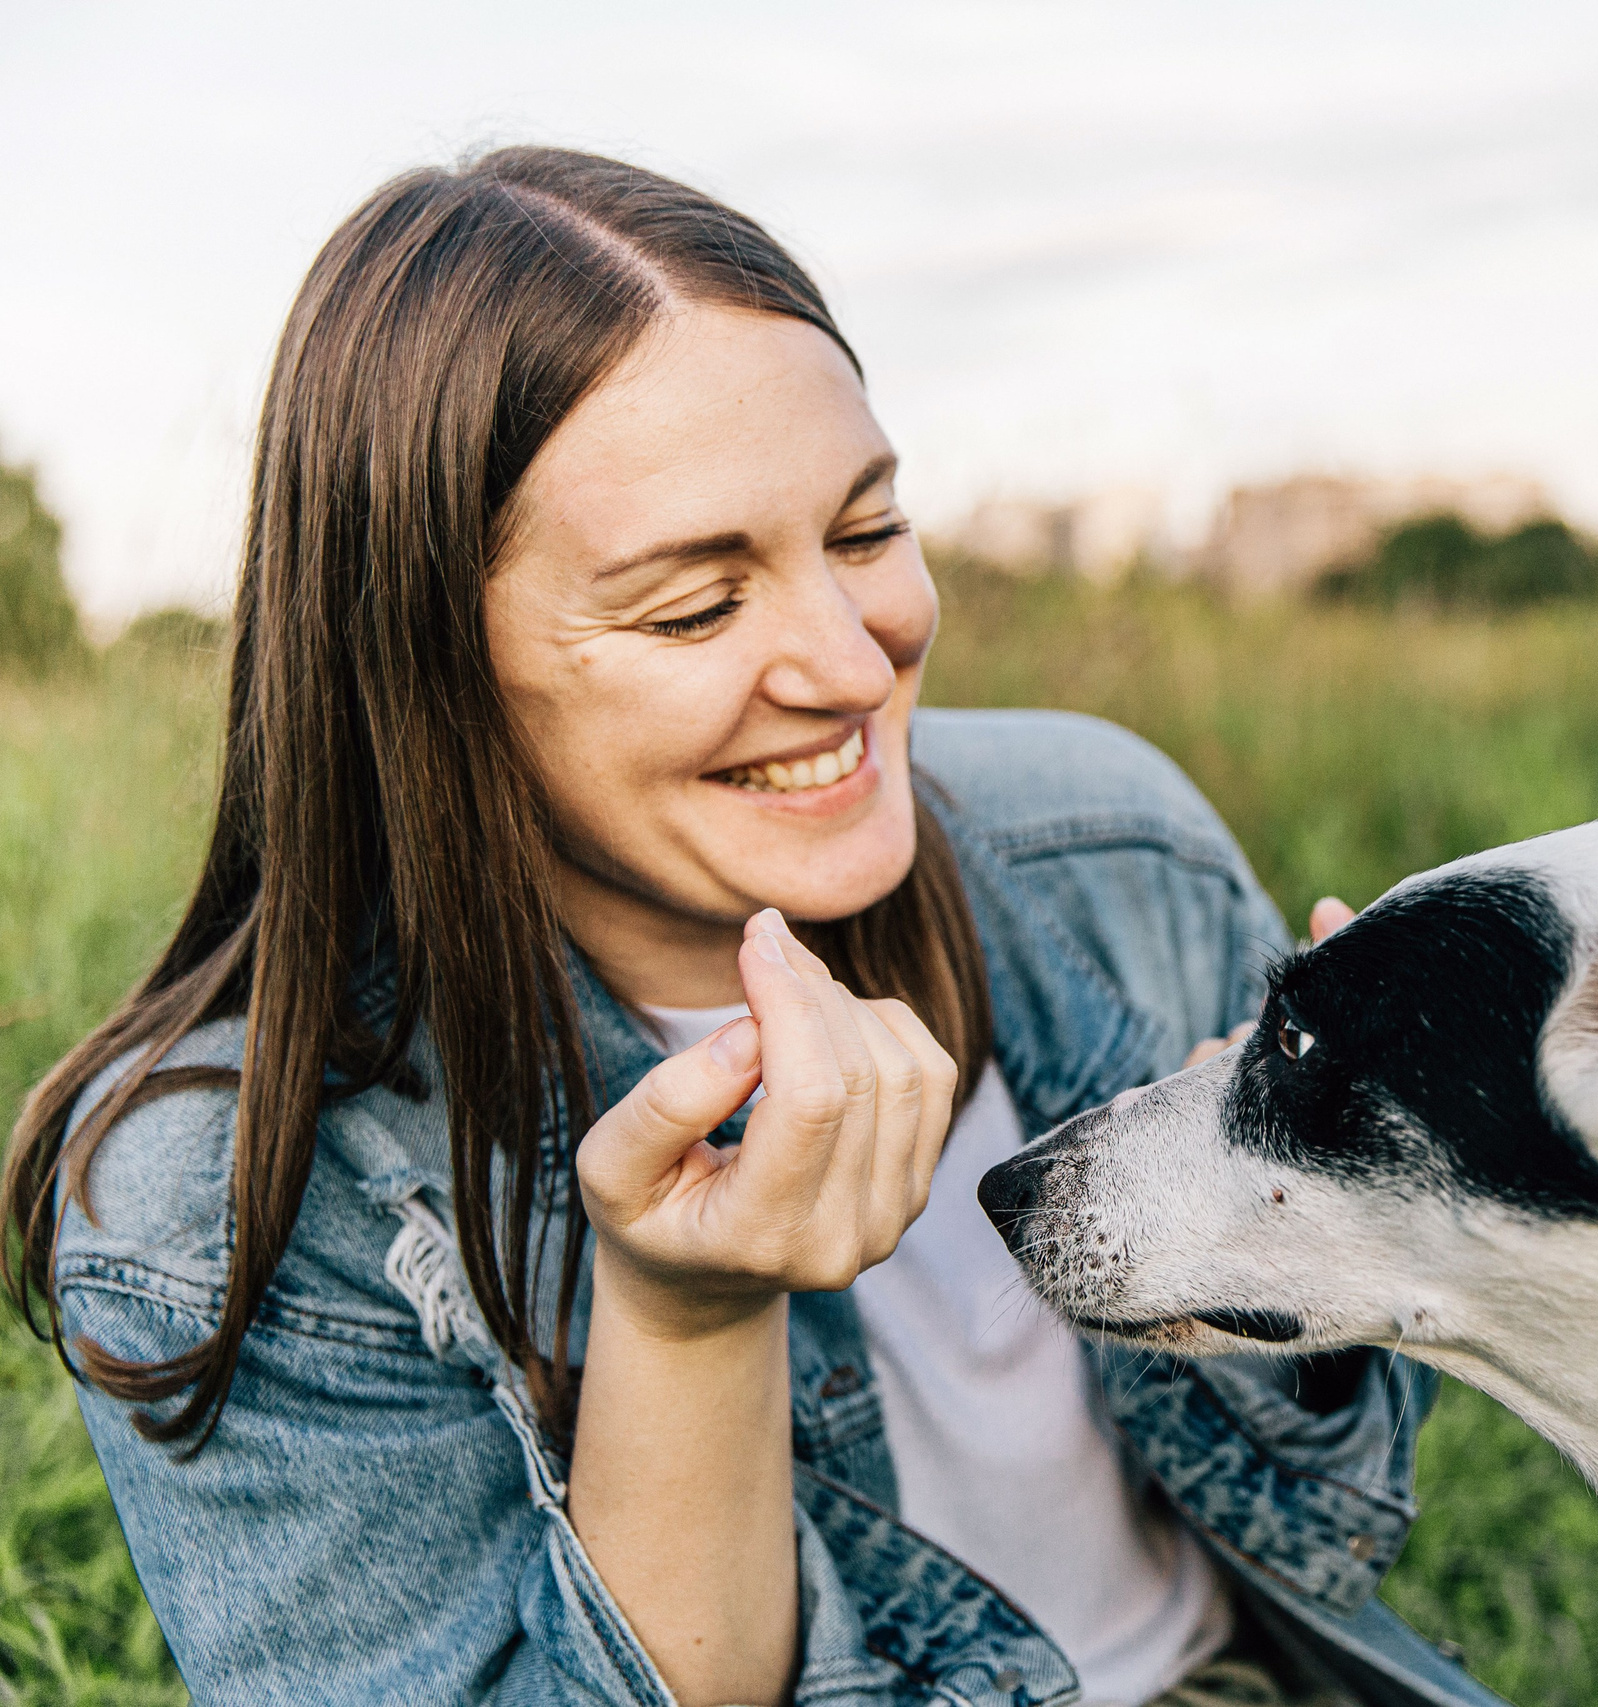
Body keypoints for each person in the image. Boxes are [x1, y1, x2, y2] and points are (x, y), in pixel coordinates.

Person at [1, 147, 1499, 1707]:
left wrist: (1315, 1220)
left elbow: (1332, 1527)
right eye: (695, 607)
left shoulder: (1112, 844)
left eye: (863, 534)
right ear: (424, 670)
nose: (855, 666)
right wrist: (691, 1318)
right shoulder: (220, 1193)